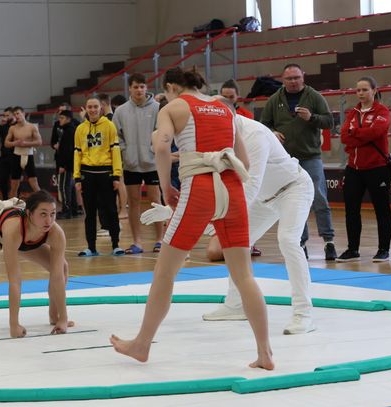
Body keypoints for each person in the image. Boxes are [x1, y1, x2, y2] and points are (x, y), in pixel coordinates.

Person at [110, 67, 274, 370]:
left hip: (199, 188)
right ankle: (265, 353)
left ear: (172, 87)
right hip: (233, 189)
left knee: (165, 272)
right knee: (244, 275)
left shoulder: (173, 107)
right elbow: (245, 161)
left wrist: (165, 186)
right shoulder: (225, 107)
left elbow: (161, 147)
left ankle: (142, 344)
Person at [202, 108, 316, 334]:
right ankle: (236, 304)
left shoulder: (255, 135)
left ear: (231, 117)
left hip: (293, 189)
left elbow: (250, 185)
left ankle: (303, 314)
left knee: (288, 240)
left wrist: (217, 217)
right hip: (263, 198)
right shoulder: (219, 134)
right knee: (236, 243)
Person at [0, 190, 70, 338]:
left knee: (62, 268)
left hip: (23, 240)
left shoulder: (56, 233)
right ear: (29, 213)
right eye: (43, 214)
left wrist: (64, 319)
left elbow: (57, 276)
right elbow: (14, 281)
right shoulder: (14, 229)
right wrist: (14, 325)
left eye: (52, 214)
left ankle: (55, 316)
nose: (49, 221)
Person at [260, 63, 336, 260]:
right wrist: (272, 132)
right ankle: (301, 244)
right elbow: (263, 125)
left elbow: (329, 121)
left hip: (310, 157)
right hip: (285, 161)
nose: (293, 82)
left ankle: (328, 241)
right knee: (295, 202)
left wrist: (311, 118)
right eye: (289, 79)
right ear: (282, 80)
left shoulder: (314, 96)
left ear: (303, 76)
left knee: (319, 198)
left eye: (296, 78)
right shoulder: (274, 99)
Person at [338, 76, 391, 262]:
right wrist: (360, 136)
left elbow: (376, 132)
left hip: (377, 168)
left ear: (374, 91)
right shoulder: (352, 113)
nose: (360, 93)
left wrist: (354, 134)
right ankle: (352, 249)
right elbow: (344, 137)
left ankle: (383, 249)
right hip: (353, 168)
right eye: (358, 90)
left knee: (382, 209)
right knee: (351, 210)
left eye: (364, 90)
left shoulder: (382, 111)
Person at [113, 73, 163, 254]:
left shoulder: (157, 108)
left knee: (155, 201)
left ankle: (160, 240)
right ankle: (137, 242)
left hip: (152, 164)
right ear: (130, 89)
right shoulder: (120, 111)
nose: (139, 90)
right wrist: (125, 151)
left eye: (142, 86)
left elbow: (162, 132)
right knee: (133, 202)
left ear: (146, 87)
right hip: (131, 164)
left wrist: (153, 149)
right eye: (136, 87)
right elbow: (116, 136)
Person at [73, 97, 124, 256]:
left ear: (101, 108)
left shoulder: (109, 125)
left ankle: (116, 245)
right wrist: (77, 177)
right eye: (90, 107)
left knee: (111, 210)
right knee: (90, 213)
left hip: (106, 174)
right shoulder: (80, 129)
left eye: (95, 106)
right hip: (87, 174)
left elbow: (115, 150)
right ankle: (91, 247)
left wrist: (116, 175)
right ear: (86, 109)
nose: (93, 110)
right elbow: (77, 153)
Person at [220, 79, 261, 256]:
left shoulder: (246, 116)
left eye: (231, 97)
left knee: (248, 202)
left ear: (237, 96)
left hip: (245, 161)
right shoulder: (217, 115)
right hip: (226, 162)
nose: (228, 100)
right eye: (224, 96)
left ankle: (250, 241)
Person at [5, 106, 42, 198]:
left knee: (34, 183)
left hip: (28, 155)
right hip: (16, 156)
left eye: (18, 113)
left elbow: (39, 142)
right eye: (14, 114)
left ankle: (43, 201)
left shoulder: (32, 127)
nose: (16, 116)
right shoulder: (12, 128)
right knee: (14, 184)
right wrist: (15, 143)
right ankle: (12, 204)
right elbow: (6, 143)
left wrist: (26, 143)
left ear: (23, 114)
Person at [54, 110, 77, 219]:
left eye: (62, 118)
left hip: (67, 165)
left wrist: (63, 165)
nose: (60, 120)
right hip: (69, 164)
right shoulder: (68, 130)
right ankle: (73, 210)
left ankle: (67, 210)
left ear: (68, 119)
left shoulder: (68, 131)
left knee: (64, 187)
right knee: (70, 187)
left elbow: (67, 150)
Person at [0, 107, 16, 200]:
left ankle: (15, 199)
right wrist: (0, 125)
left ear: (13, 115)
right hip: (4, 156)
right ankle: (5, 199)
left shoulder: (17, 125)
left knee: (15, 180)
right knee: (3, 179)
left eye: (7, 115)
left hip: (15, 156)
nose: (5, 117)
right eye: (4, 115)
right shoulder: (3, 126)